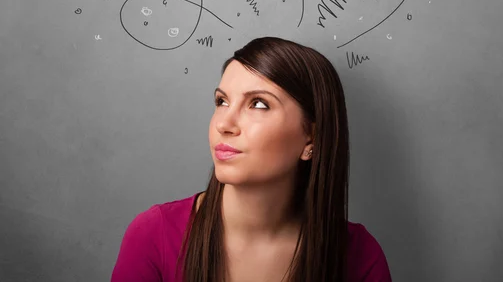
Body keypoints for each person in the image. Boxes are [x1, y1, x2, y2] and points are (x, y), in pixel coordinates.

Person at [111, 36, 392, 281]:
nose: (225, 124)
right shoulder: (153, 236)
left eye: (258, 104)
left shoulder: (358, 257)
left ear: (311, 138)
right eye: (222, 101)